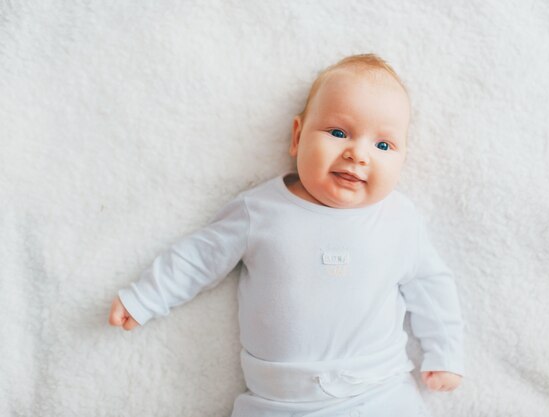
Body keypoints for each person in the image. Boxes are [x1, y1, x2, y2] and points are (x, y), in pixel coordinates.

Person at [109, 53, 464, 417]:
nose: (358, 154)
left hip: (378, 391)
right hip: (277, 401)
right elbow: (202, 255)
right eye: (339, 133)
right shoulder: (261, 210)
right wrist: (148, 296)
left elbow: (431, 286)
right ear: (297, 137)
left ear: (403, 160)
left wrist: (445, 351)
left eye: (383, 146)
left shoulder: (399, 218)